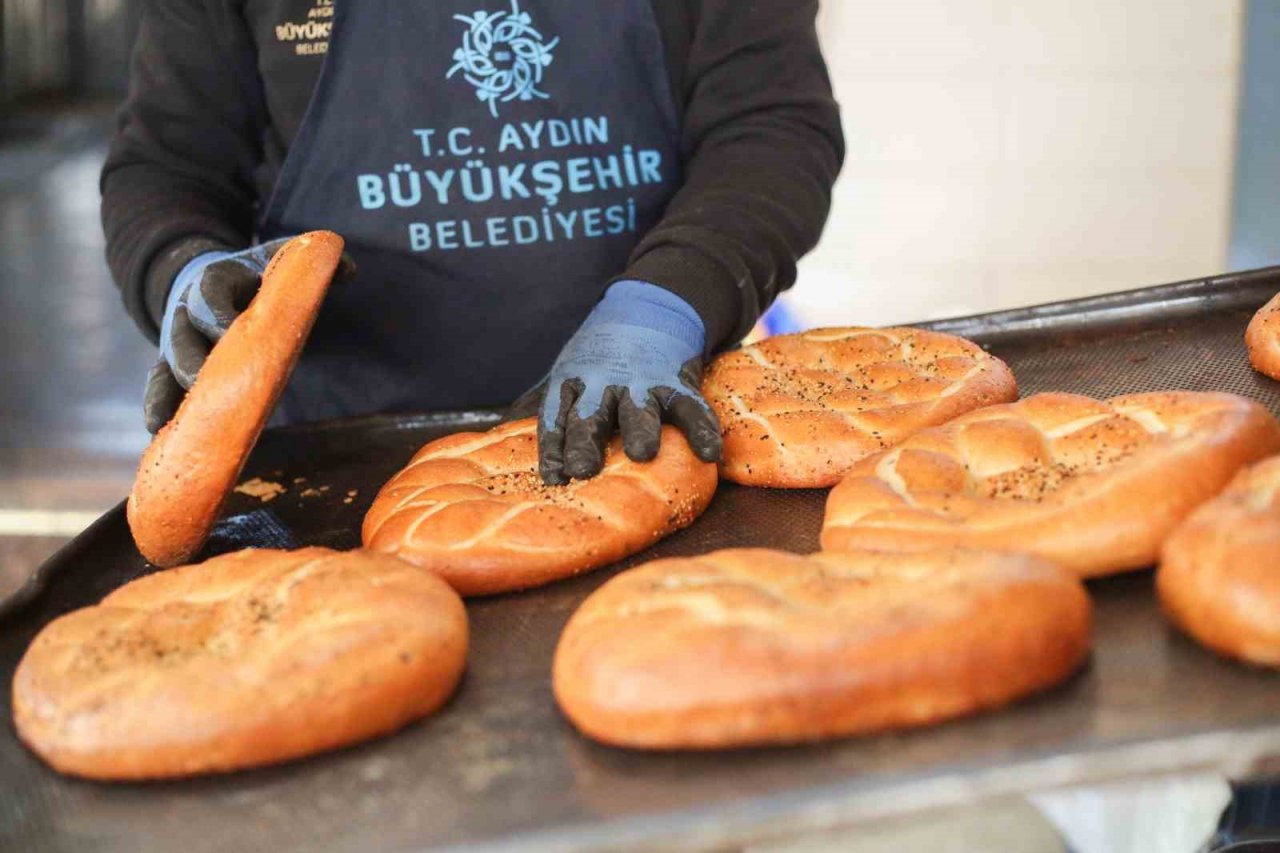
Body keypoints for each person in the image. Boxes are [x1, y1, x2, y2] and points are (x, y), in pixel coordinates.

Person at [102, 0, 843, 483]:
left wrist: (668, 303)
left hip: (642, 429)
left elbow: (770, 128)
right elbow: (166, 167)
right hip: (332, 470)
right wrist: (182, 270)